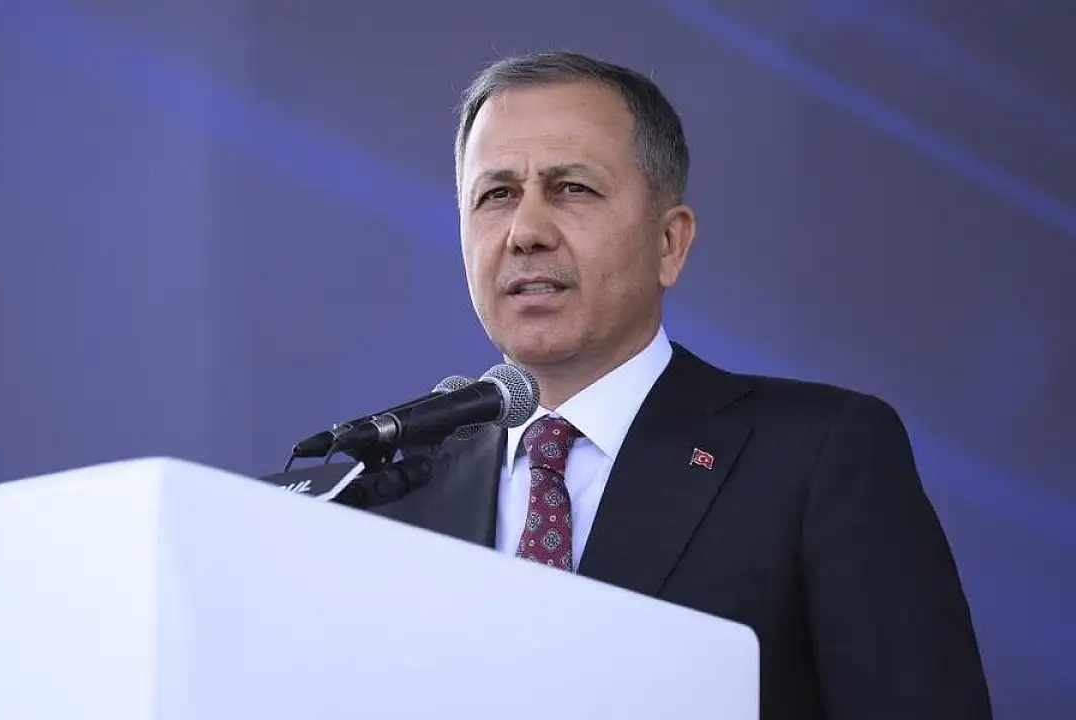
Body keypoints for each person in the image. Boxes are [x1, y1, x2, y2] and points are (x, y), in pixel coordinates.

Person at [371, 51, 993, 719]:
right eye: (496, 195)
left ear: (670, 243)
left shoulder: (820, 457)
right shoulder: (395, 491)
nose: (525, 233)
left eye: (572, 188)